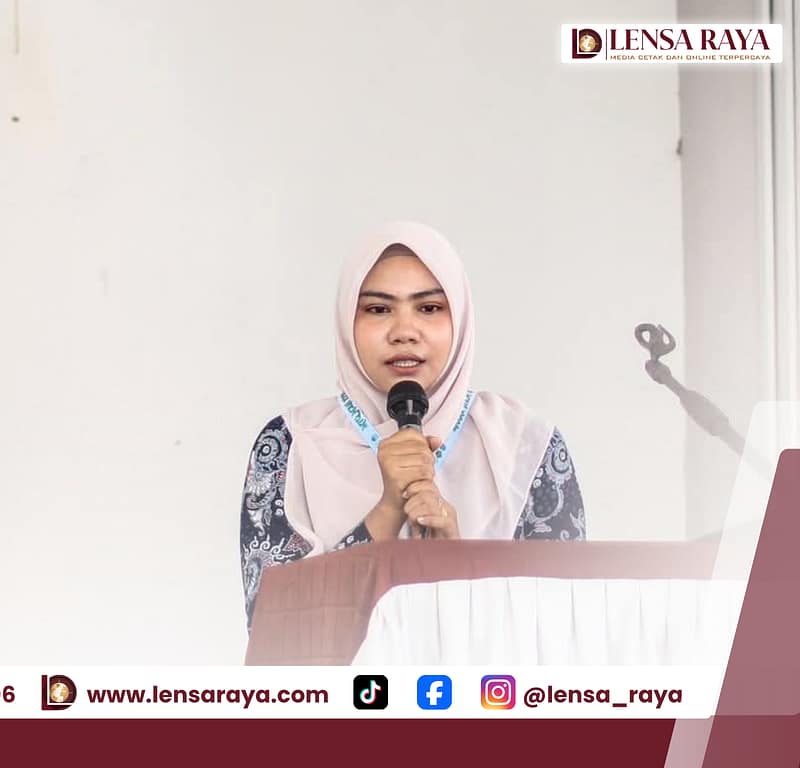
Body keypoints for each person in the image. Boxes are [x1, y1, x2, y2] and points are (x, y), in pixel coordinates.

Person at [239, 222, 585, 627]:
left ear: (460, 318)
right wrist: (387, 512)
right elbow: (268, 627)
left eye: (429, 308)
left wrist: (457, 562)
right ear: (346, 321)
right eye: (378, 309)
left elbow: (564, 628)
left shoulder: (526, 446)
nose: (404, 332)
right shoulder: (291, 442)